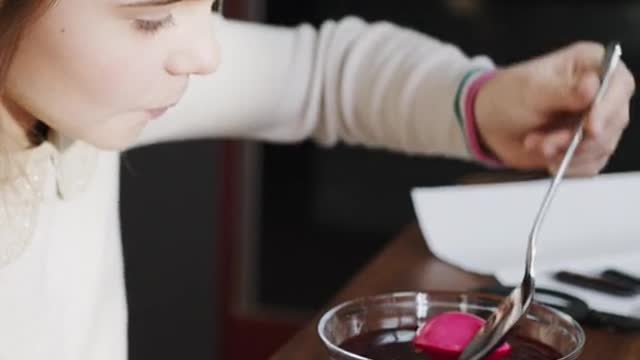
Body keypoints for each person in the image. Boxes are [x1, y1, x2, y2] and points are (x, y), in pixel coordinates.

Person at [0, 0, 634, 359]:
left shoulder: (72, 86)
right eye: (152, 17)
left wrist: (488, 104)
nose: (206, 54)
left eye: (211, 4)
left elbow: (319, 74)